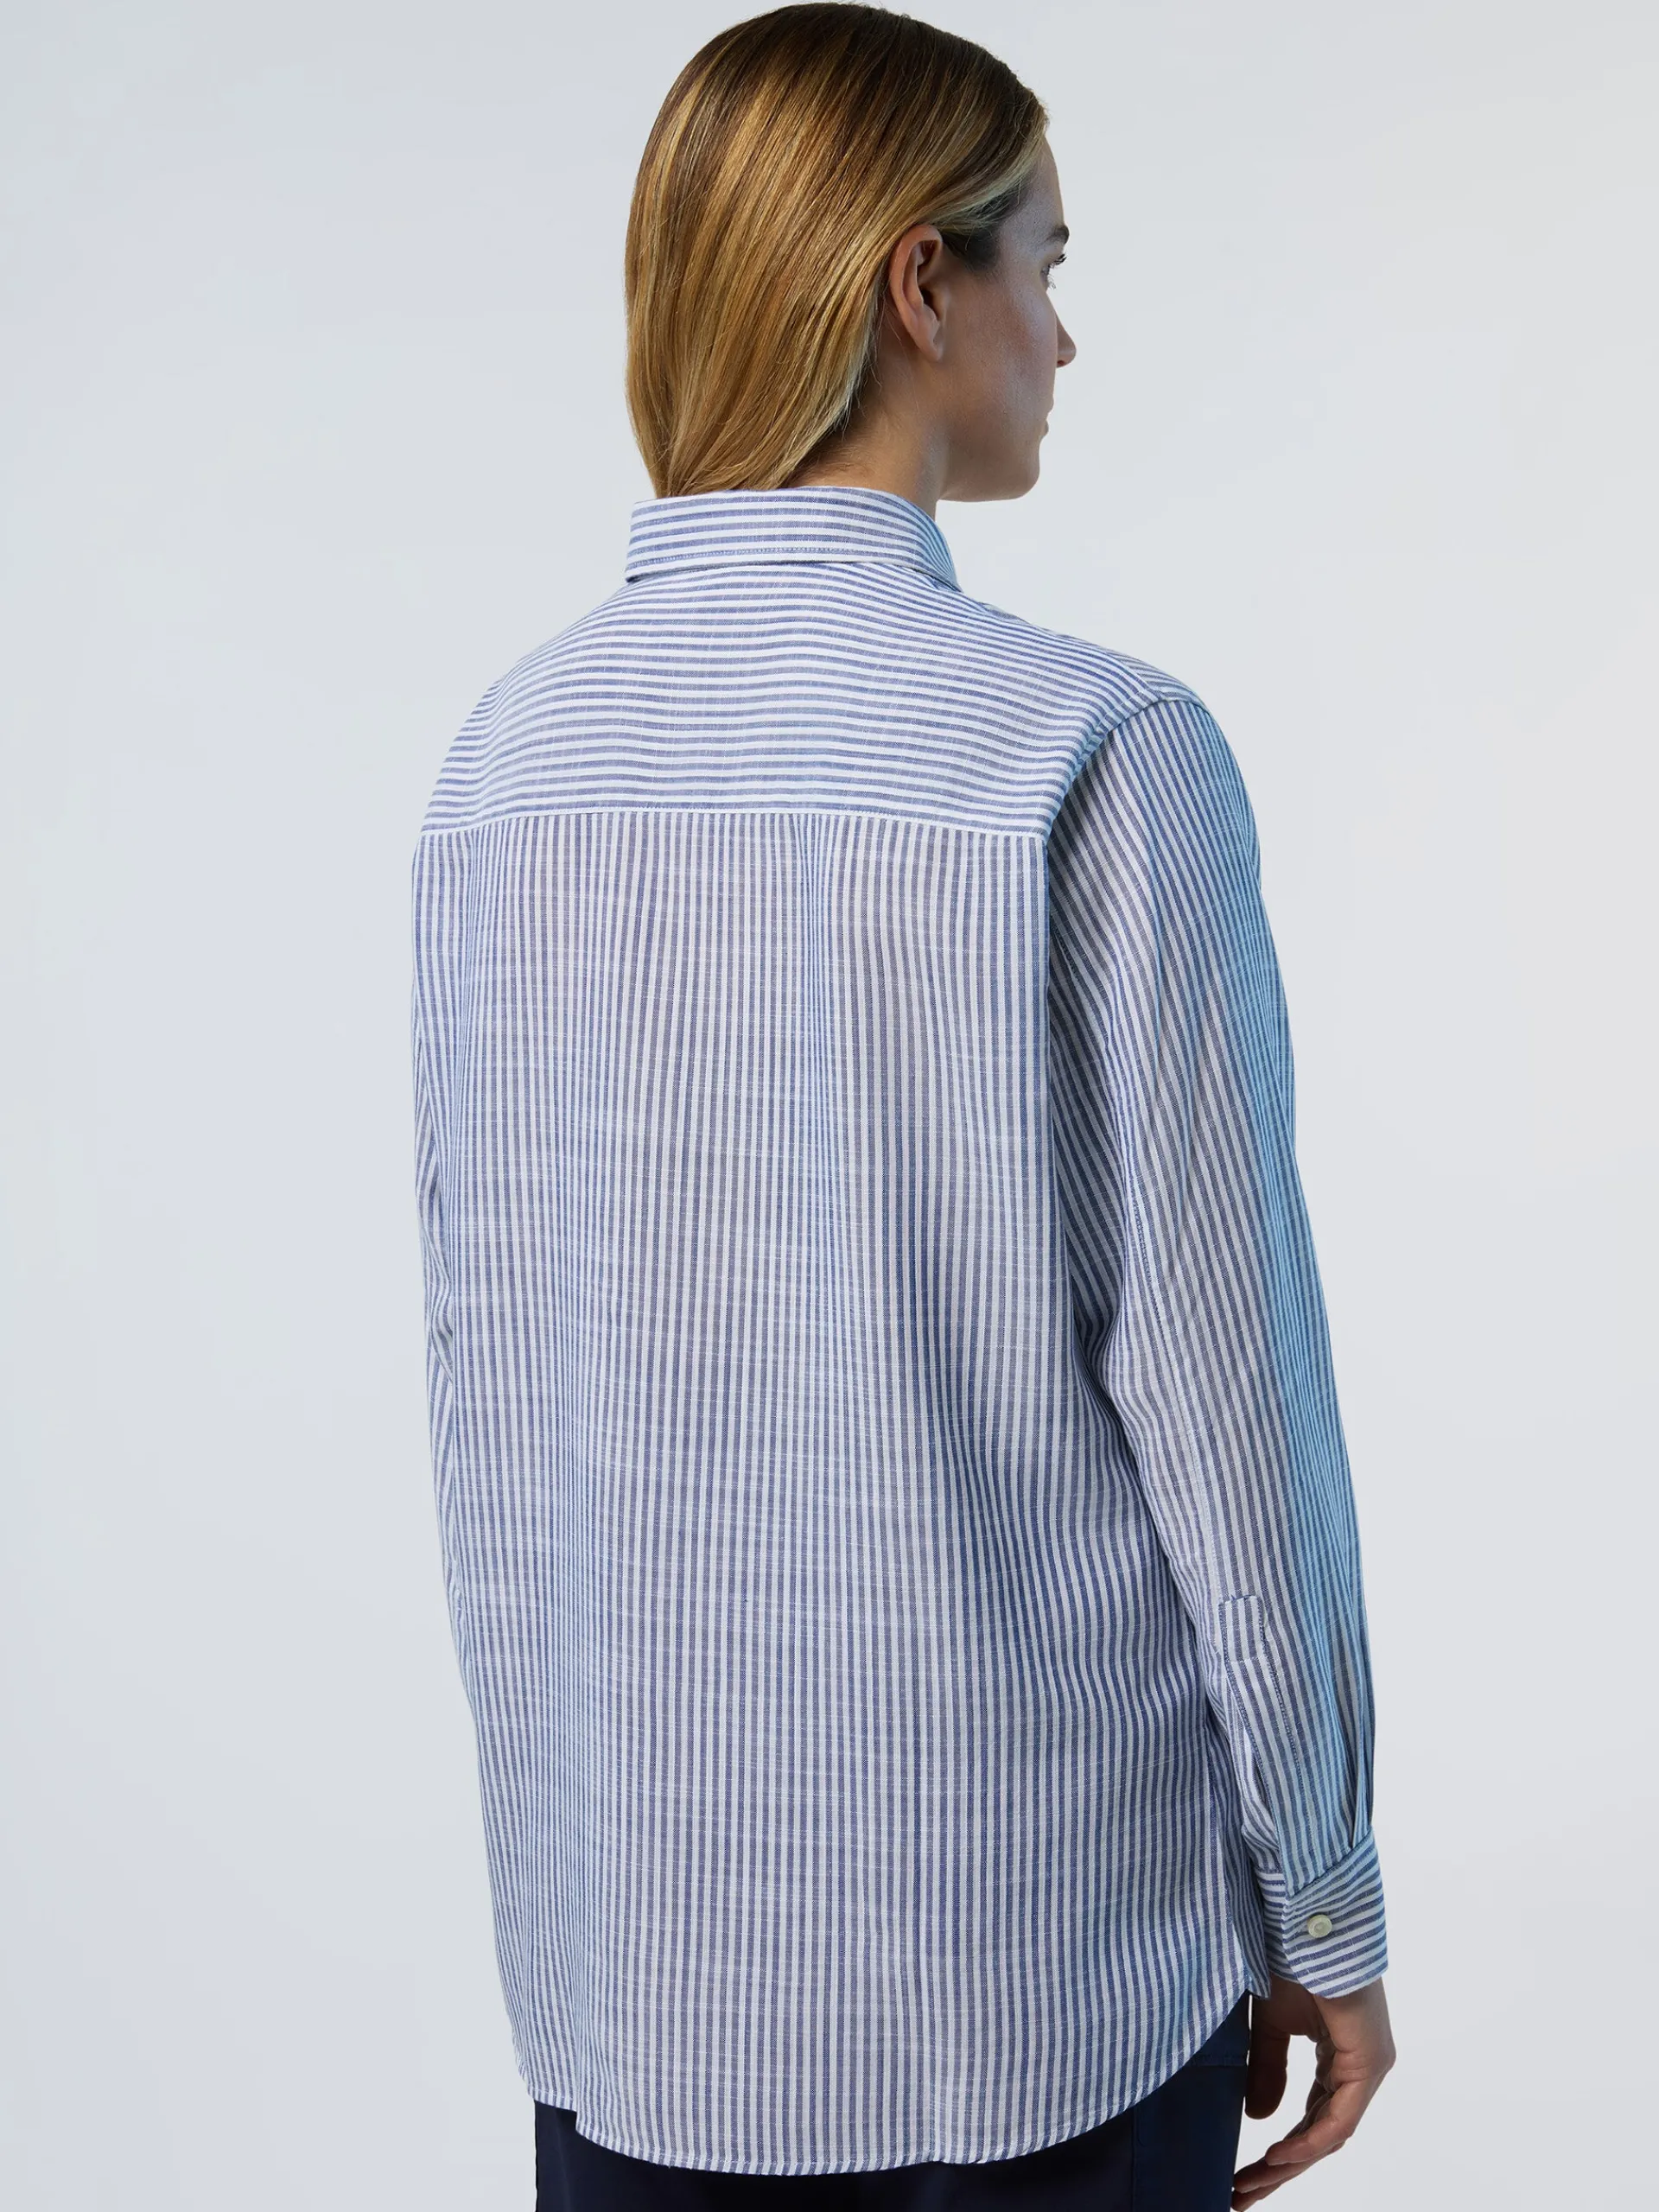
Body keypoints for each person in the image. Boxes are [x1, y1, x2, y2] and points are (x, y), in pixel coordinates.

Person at [409, 8, 1395, 2208]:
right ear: (917, 285)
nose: (1067, 332)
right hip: (1042, 1988)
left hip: (637, 1995)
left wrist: (568, 1907)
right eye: (1045, 259)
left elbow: (491, 1404)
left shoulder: (504, 766)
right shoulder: (1095, 751)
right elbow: (1229, 1404)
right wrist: (1322, 1898)